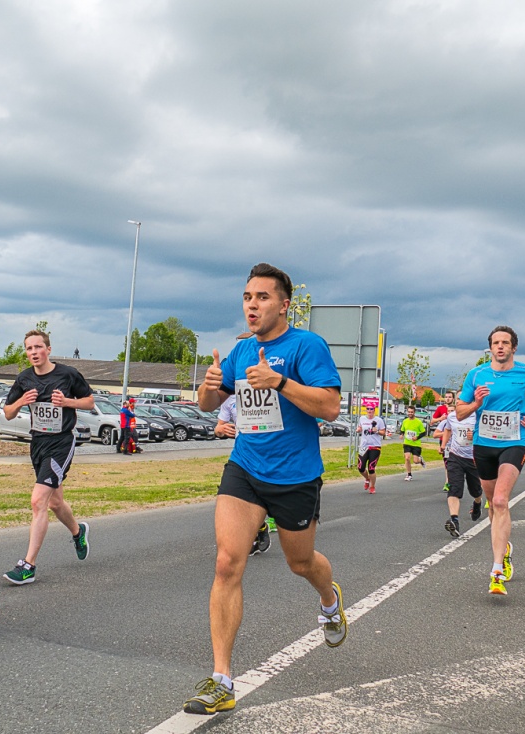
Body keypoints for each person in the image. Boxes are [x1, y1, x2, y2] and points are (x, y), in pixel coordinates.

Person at [185, 263, 346, 716]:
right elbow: (209, 404)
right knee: (226, 562)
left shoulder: (306, 346)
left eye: (262, 297)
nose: (252, 305)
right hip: (245, 468)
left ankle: (329, 600)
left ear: (283, 304)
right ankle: (221, 679)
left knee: (301, 563)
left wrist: (280, 381)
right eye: (247, 297)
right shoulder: (241, 350)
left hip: (295, 476)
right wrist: (210, 387)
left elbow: (331, 407)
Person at [1, 330, 95, 585]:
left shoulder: (67, 374)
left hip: (61, 443)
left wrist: (66, 402)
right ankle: (78, 532)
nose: (33, 352)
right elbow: (8, 413)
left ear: (48, 349)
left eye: (38, 347)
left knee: (38, 501)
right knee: (55, 503)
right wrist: (21, 400)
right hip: (38, 443)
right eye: (29, 348)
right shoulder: (24, 378)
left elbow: (89, 402)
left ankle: (28, 565)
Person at [456, 326, 525, 596]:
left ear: (513, 347)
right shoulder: (477, 374)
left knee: (502, 501)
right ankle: (503, 548)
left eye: (505, 343)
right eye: (496, 343)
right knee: (492, 503)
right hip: (484, 445)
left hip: (515, 441)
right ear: (490, 348)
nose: (501, 347)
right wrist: (476, 404)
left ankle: (496, 569)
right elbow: (459, 413)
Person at [216, 394, 272, 555]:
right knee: (238, 499)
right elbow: (219, 427)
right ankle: (250, 535)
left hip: (272, 454)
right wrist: (220, 430)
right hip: (242, 456)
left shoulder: (267, 390)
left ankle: (260, 527)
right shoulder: (229, 398)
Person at [442, 393, 483, 538]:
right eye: (458, 398)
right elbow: (447, 429)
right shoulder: (452, 416)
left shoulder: (478, 415)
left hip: (473, 458)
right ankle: (454, 520)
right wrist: (443, 444)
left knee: (475, 490)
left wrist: (476, 434)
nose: (460, 401)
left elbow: (489, 433)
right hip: (455, 456)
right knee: (454, 488)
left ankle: (477, 503)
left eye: (463, 398)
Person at [357, 404, 387, 494]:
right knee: (360, 467)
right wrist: (358, 429)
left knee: (371, 468)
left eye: (371, 409)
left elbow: (383, 432)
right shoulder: (362, 419)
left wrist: (377, 431)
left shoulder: (379, 420)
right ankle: (367, 478)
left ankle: (372, 486)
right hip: (364, 446)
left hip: (375, 446)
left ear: (374, 410)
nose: (369, 411)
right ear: (366, 410)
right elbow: (360, 427)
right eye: (368, 409)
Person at [399, 405, 427, 481]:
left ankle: (420, 460)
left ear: (414, 412)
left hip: (416, 444)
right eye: (409, 412)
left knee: (415, 461)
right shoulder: (405, 421)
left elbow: (424, 433)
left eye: (412, 412)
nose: (410, 413)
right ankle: (409, 474)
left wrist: (417, 437)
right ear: (407, 412)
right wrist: (401, 434)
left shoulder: (418, 422)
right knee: (407, 458)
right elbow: (402, 430)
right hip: (407, 443)